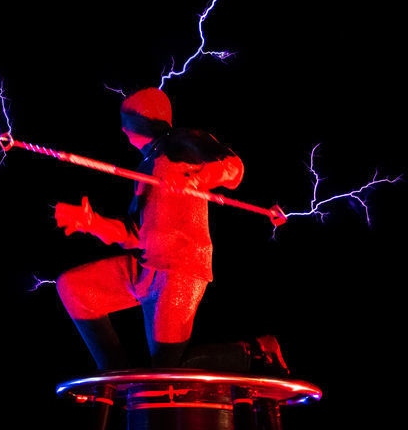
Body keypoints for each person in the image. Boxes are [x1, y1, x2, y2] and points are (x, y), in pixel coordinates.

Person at [53, 88, 284, 371]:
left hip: (178, 268)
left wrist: (198, 179)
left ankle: (256, 350)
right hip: (143, 267)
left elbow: (234, 168)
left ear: (141, 123)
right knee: (74, 288)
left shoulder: (182, 141)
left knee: (166, 369)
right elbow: (134, 234)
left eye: (127, 121)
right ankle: (117, 374)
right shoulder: (145, 165)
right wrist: (93, 223)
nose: (123, 129)